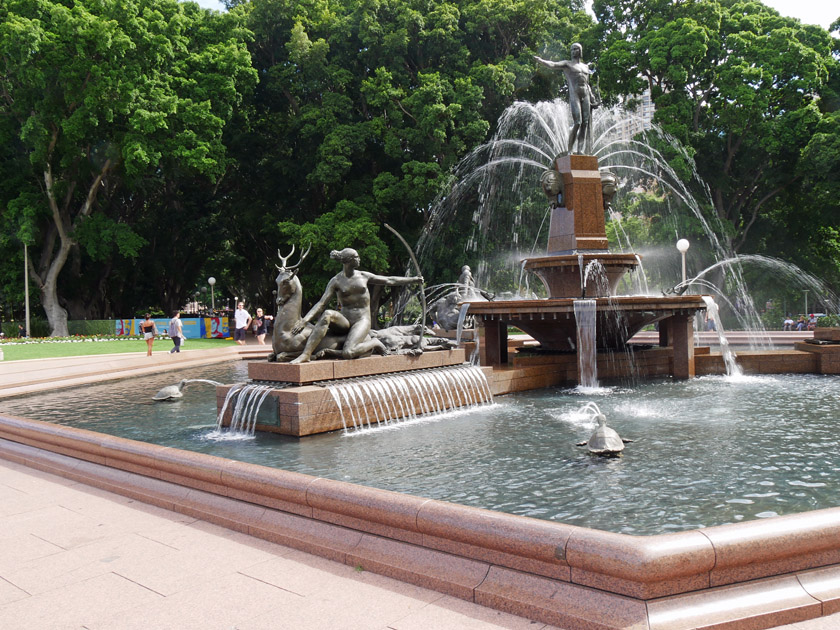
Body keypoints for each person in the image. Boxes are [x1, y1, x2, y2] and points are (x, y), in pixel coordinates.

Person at [290, 248, 422, 363]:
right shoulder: (336, 281)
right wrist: (304, 320)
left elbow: (390, 280)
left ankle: (374, 342)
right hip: (345, 321)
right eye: (356, 257)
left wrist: (413, 280)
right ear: (348, 261)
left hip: (361, 320)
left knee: (349, 352)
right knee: (327, 314)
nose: (359, 259)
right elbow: (321, 303)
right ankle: (306, 354)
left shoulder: (364, 276)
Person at [535, 43, 600, 155]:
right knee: (578, 122)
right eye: (572, 49)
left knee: (585, 123)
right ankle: (570, 149)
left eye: (576, 49)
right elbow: (553, 65)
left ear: (580, 51)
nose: (574, 51)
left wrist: (592, 98)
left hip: (586, 95)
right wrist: (541, 61)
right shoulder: (567, 64)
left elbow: (587, 83)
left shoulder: (586, 67)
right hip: (575, 94)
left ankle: (580, 150)